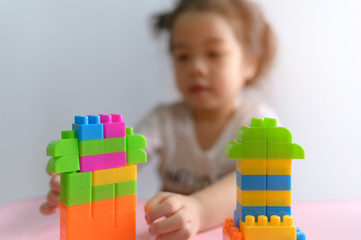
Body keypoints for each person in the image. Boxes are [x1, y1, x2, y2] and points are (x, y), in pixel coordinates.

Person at [40, 0, 279, 239]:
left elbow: (256, 183)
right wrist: (86, 184)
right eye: (183, 56)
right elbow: (122, 160)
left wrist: (198, 209)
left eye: (214, 53)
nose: (196, 68)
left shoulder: (257, 123)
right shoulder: (165, 119)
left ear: (249, 63)